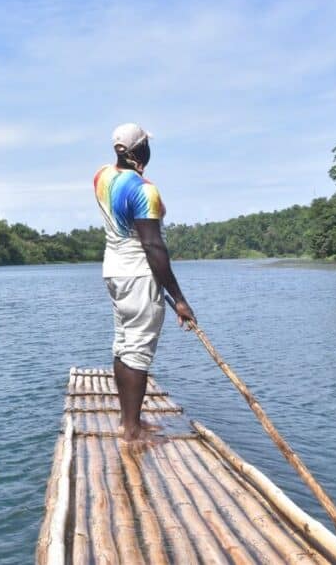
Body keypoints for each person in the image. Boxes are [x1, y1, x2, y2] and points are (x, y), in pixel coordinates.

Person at [93, 123, 195, 443]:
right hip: (138, 276)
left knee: (124, 345)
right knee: (137, 352)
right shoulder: (143, 191)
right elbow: (153, 246)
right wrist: (178, 298)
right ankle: (133, 431)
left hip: (114, 272)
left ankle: (128, 422)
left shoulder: (101, 176)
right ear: (140, 151)